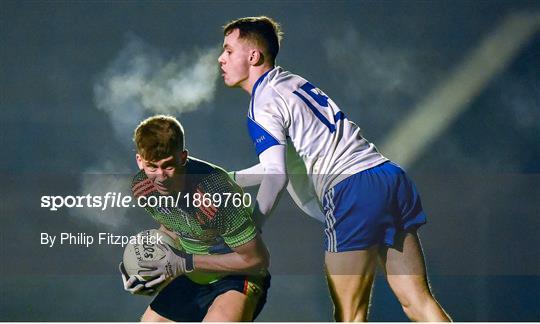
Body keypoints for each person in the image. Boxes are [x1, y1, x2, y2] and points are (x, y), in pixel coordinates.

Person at [218, 16, 451, 322]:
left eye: (229, 51)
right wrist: (230, 179)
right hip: (387, 177)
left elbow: (276, 175)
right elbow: (282, 164)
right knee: (417, 302)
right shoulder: (290, 83)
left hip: (352, 191)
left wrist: (249, 231)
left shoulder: (262, 103)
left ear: (253, 56)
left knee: (349, 316)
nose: (221, 58)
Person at [119, 115, 271, 322]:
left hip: (236, 276)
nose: (161, 177)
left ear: (182, 157)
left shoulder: (215, 193)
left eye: (169, 166)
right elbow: (171, 228)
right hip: (192, 275)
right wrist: (140, 266)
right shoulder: (143, 187)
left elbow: (256, 260)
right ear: (140, 161)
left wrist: (183, 263)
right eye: (152, 167)